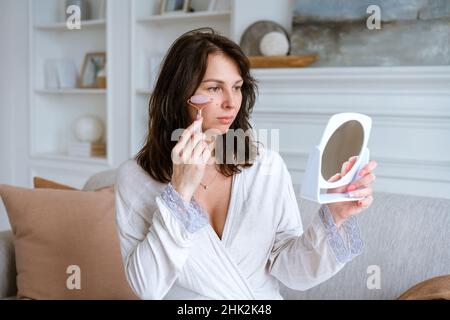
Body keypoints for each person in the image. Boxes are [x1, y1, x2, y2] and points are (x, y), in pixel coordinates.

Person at [115, 28, 377, 299]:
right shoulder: (135, 178)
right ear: (181, 93)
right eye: (214, 88)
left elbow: (291, 271)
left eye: (237, 87)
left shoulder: (266, 166)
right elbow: (146, 287)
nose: (231, 103)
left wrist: (335, 215)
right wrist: (179, 194)